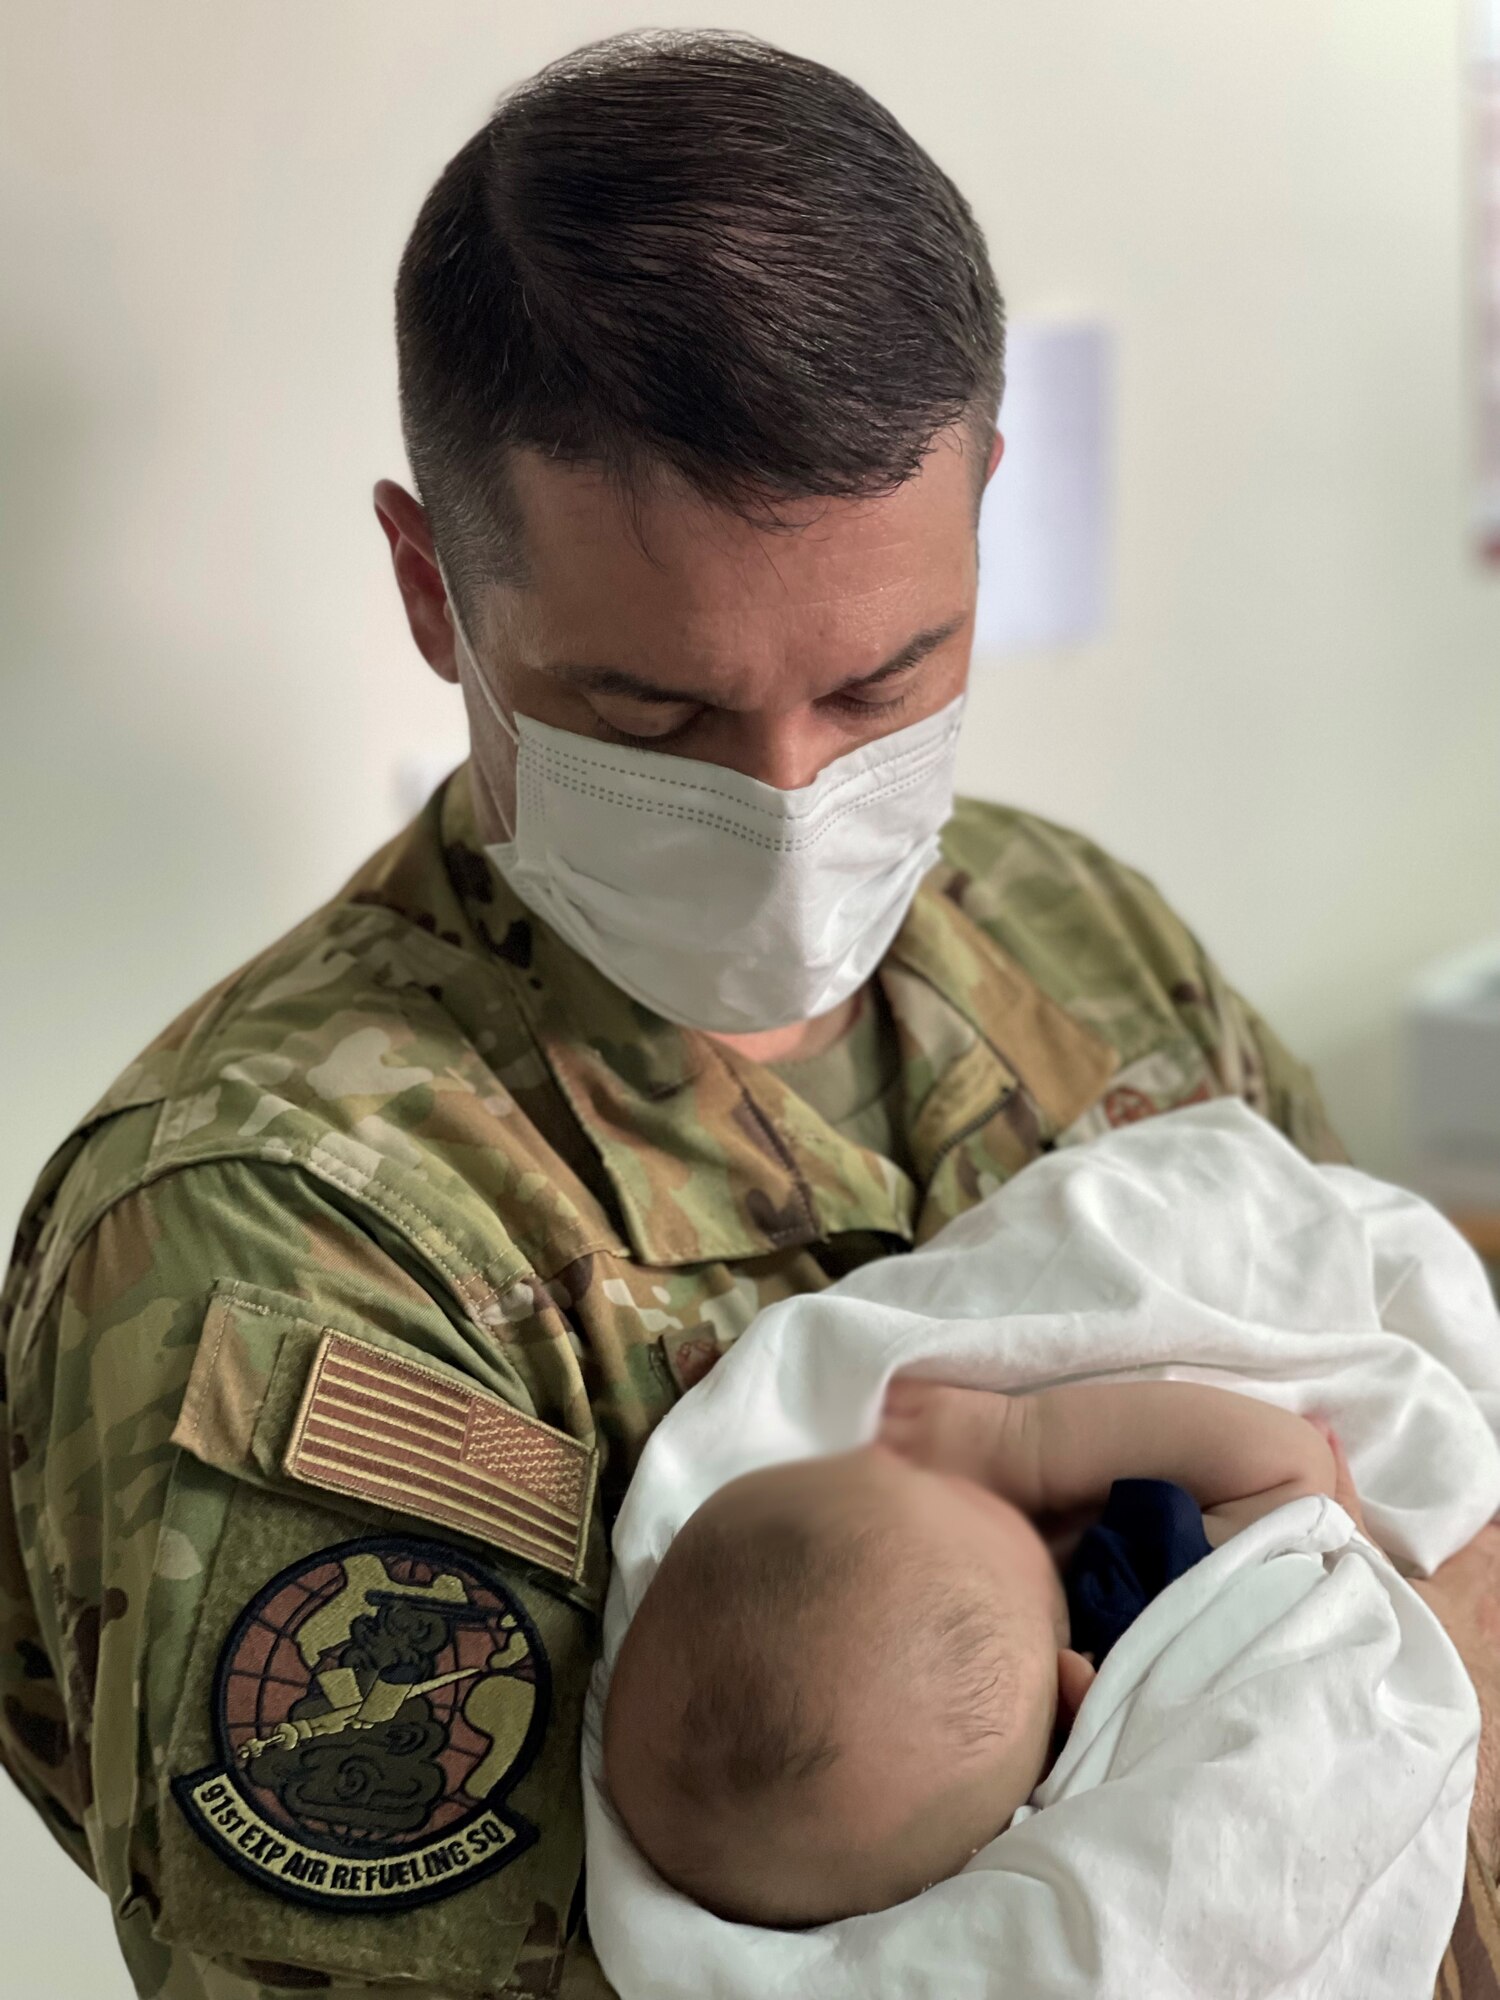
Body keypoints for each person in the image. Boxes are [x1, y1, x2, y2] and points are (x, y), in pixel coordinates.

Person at [1, 27, 1495, 2000]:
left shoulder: (1066, 924)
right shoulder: (271, 1238)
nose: (794, 799)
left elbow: (1398, 1399)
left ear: (985, 497)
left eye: (886, 682)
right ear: (436, 589)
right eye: (655, 713)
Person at [601, 1376, 1346, 1930]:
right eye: (952, 1502)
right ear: (1071, 1699)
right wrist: (1024, 1437)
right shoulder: (1142, 1604)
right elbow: (1295, 1471)